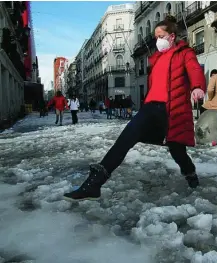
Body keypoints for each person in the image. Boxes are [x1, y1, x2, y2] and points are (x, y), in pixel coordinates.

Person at [63, 15, 206, 202]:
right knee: (125, 138)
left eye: (160, 36)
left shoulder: (184, 53)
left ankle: (190, 174)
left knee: (177, 150)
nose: (157, 40)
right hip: (149, 109)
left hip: (171, 110)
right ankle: (94, 184)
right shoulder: (155, 59)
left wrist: (197, 87)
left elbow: (195, 69)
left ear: (172, 36)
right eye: (155, 37)